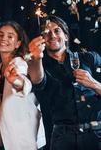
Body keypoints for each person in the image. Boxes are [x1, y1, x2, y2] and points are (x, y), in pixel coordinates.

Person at [28, 15, 101, 150]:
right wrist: (36, 58)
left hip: (96, 134)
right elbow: (37, 81)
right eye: (46, 32)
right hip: (62, 138)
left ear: (66, 36)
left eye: (57, 30)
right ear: (42, 40)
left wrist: (94, 84)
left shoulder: (90, 58)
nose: (52, 35)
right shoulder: (38, 66)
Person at [0, 21, 46, 150]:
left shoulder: (21, 63)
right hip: (6, 133)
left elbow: (24, 83)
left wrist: (16, 81)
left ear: (18, 43)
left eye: (10, 36)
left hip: (25, 133)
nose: (3, 39)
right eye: (0, 35)